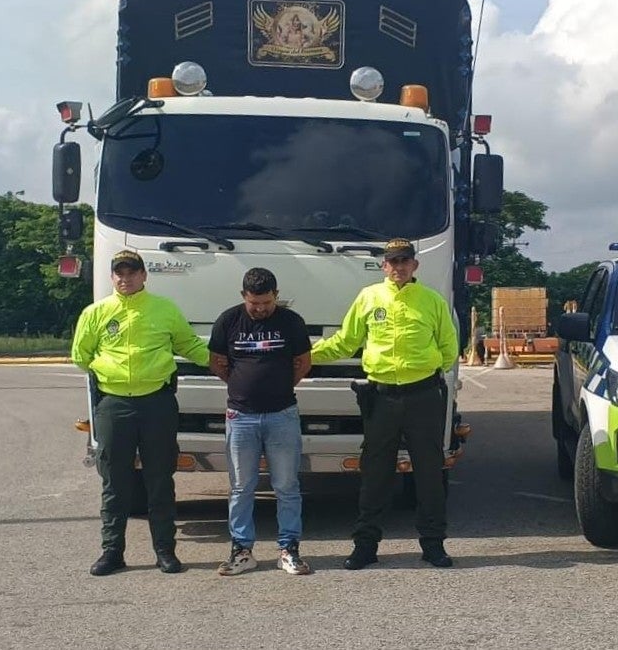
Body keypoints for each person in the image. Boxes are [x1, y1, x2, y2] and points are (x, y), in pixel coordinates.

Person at [312, 238, 459, 569]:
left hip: (422, 397)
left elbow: (449, 348)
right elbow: (345, 342)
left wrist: (423, 370)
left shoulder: (431, 301)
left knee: (429, 474)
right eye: (393, 261)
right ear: (384, 266)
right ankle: (365, 546)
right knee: (375, 474)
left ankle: (433, 544)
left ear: (415, 265)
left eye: (405, 261)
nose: (399, 267)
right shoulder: (369, 297)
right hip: (381, 398)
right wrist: (306, 356)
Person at [70, 249, 209, 577]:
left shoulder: (164, 309)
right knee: (114, 481)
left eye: (132, 272)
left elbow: (189, 345)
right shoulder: (96, 312)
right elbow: (81, 355)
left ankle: (165, 552)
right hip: (114, 404)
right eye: (119, 273)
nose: (125, 278)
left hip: (156, 403)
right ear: (112, 277)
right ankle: (112, 552)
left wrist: (225, 361)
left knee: (159, 479)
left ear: (144, 275)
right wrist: (111, 371)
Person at [208, 268, 313, 576]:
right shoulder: (228, 321)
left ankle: (289, 549)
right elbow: (216, 362)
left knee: (287, 485)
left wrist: (280, 387)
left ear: (275, 296)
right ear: (244, 296)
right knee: (241, 486)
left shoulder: (291, 322)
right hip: (241, 417)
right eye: (254, 303)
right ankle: (241, 551)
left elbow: (303, 362)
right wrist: (240, 385)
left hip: (283, 415)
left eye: (267, 302)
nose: (261, 309)